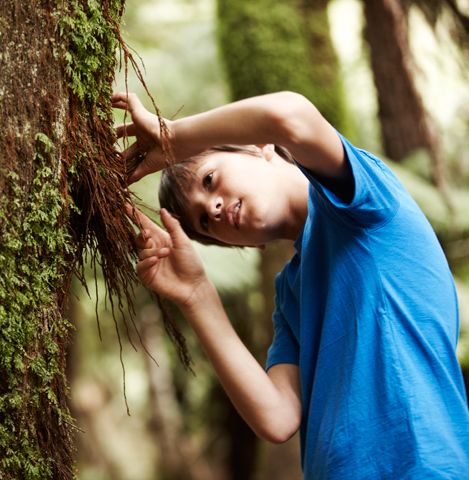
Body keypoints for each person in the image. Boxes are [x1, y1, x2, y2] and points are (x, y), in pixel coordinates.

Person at [113, 91, 469, 479]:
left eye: (210, 179)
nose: (212, 208)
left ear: (260, 145)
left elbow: (289, 115)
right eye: (203, 222)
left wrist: (175, 137)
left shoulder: (360, 202)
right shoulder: (291, 292)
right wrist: (196, 294)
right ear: (248, 244)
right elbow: (277, 417)